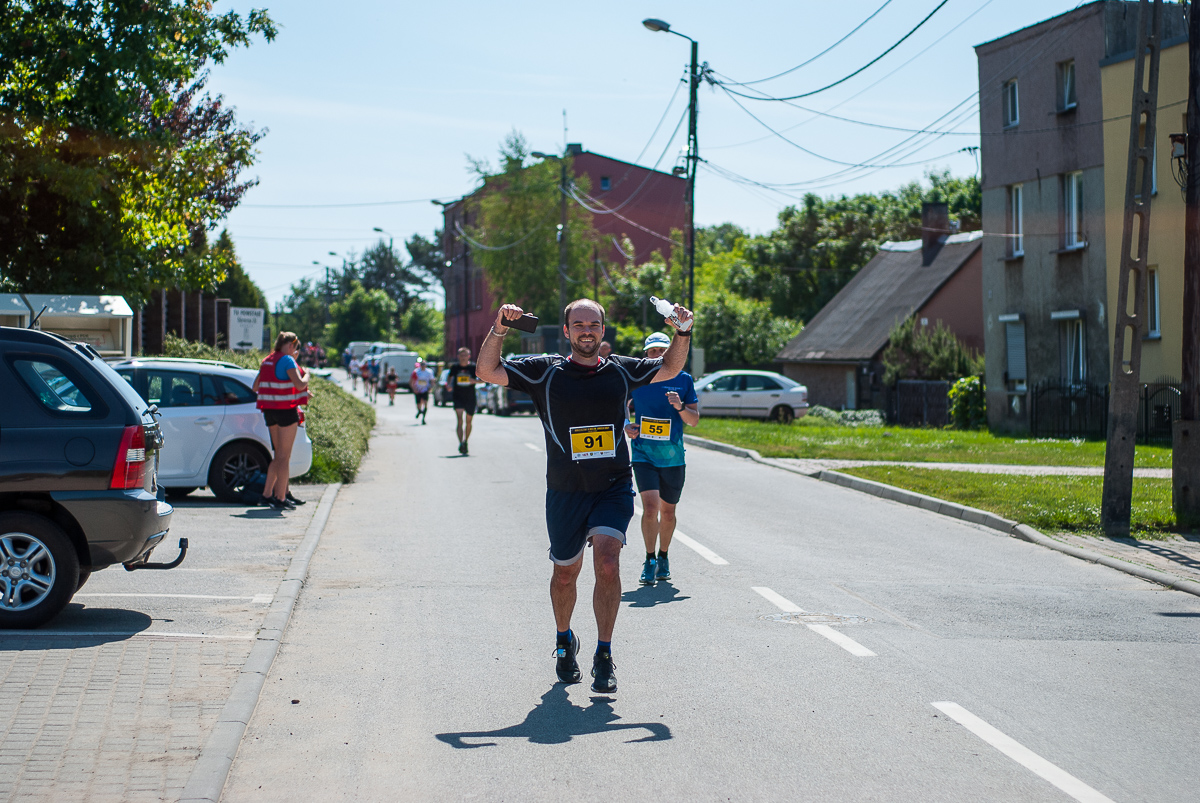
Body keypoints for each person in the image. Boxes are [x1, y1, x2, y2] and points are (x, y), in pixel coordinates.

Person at [476, 297, 693, 694]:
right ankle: (564, 640)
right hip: (565, 492)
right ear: (566, 331)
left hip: (612, 486)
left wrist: (682, 331)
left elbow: (671, 367)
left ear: (603, 331)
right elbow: (487, 371)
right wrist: (501, 328)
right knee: (565, 573)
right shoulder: (545, 371)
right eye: (579, 325)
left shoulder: (622, 371)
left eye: (593, 324)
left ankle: (604, 654)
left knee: (608, 563)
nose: (586, 331)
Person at [624, 332, 700, 586]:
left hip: (673, 457)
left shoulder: (684, 379)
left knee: (668, 513)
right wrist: (626, 423)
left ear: (670, 353)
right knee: (651, 508)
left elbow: (694, 420)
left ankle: (664, 556)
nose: (657, 355)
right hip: (643, 453)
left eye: (662, 351)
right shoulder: (637, 377)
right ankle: (649, 559)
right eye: (653, 351)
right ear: (646, 354)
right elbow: (617, 402)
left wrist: (680, 407)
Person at [252, 331, 310, 511]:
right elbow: (300, 384)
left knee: (278, 456)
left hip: (269, 412)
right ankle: (281, 497)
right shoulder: (287, 360)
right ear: (292, 345)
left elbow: (255, 386)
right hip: (286, 412)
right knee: (284, 457)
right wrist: (307, 374)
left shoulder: (267, 360)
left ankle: (267, 494)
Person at [447, 347, 478, 454]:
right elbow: (449, 377)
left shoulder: (473, 367)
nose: (463, 357)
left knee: (468, 421)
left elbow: (482, 380)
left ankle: (466, 441)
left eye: (465, 355)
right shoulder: (455, 367)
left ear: (469, 356)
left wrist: (473, 381)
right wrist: (449, 385)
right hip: (458, 396)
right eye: (461, 355)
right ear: (458, 356)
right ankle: (461, 442)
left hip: (470, 397)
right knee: (460, 419)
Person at [410, 358, 435, 424]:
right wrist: (414, 389)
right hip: (418, 389)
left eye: (424, 364)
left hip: (425, 389)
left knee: (425, 403)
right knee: (418, 404)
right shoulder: (416, 371)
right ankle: (419, 411)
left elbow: (432, 380)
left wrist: (431, 387)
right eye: (422, 364)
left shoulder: (429, 372)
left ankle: (423, 418)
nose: (423, 366)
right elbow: (411, 381)